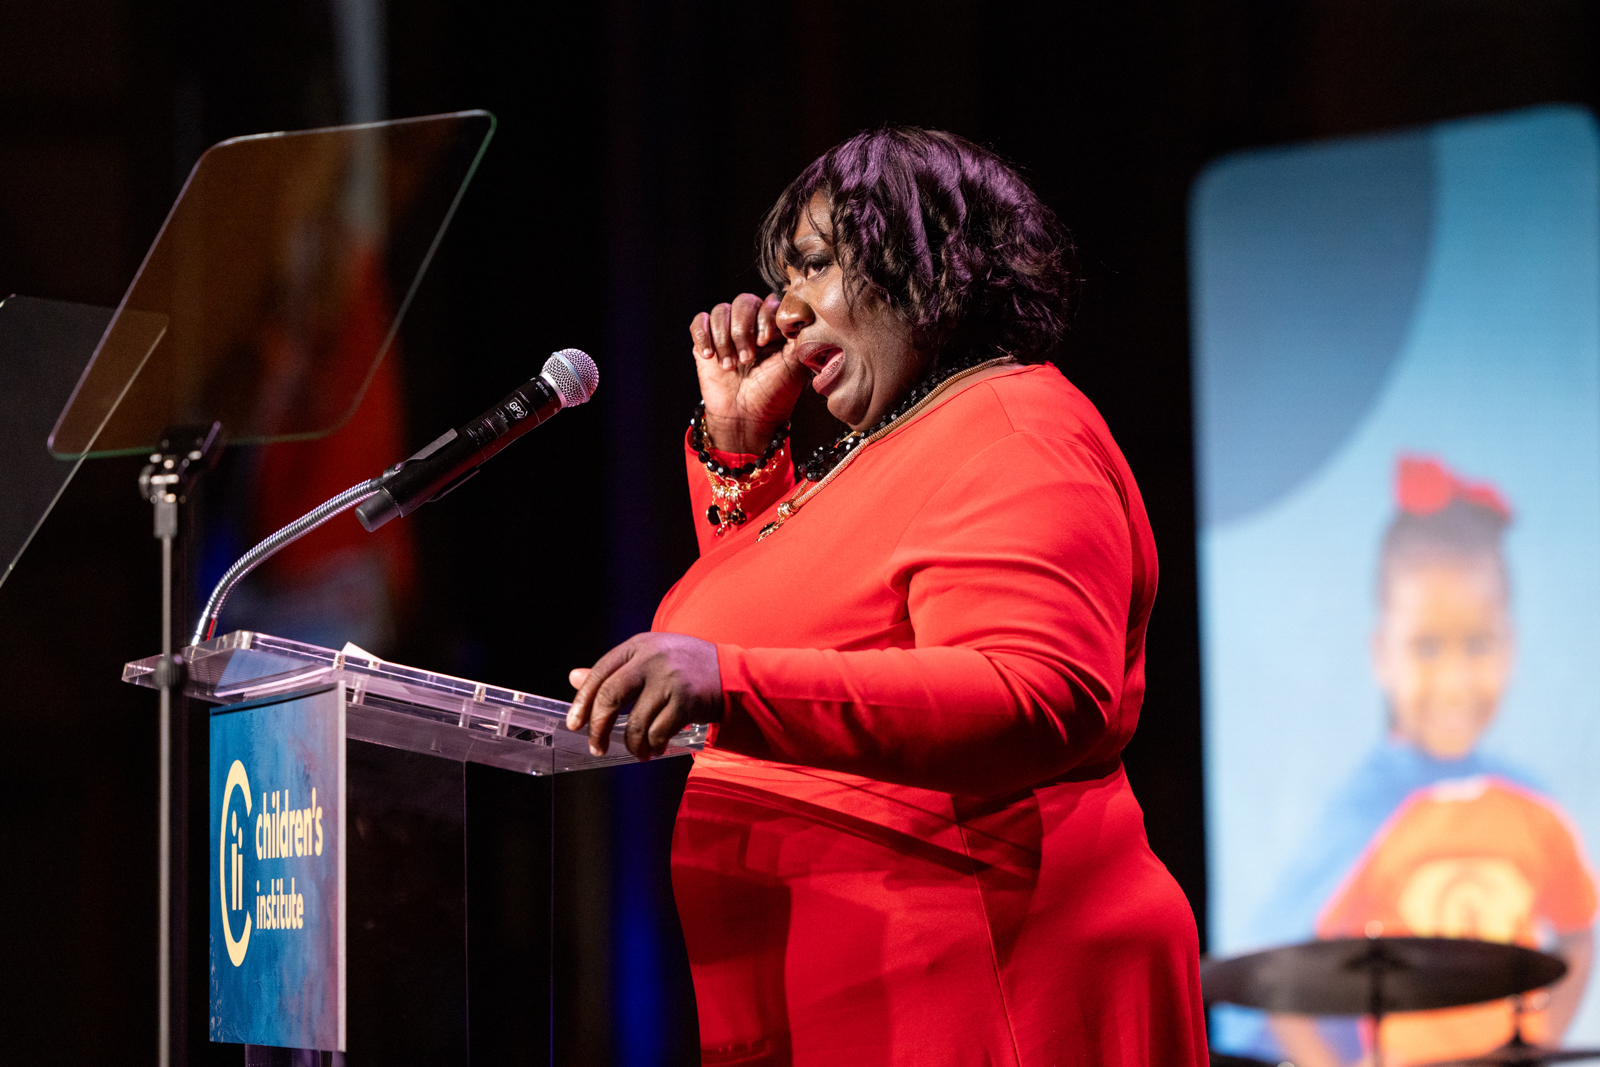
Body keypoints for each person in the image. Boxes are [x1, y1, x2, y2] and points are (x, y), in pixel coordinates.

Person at [564, 127, 1208, 1066]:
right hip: (869, 998)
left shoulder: (1011, 430)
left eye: (815, 267)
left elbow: (1036, 694)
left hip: (987, 991)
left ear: (929, 261)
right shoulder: (889, 446)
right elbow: (803, 622)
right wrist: (740, 449)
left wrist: (728, 685)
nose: (782, 312)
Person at [1245, 456, 1597, 1067]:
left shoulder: (1532, 808)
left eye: (1478, 645)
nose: (1455, 682)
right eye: (1427, 648)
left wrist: (1538, 1043)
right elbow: (1283, 977)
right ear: (1382, 654)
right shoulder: (1367, 815)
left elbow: (1577, 933)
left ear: (1510, 647)